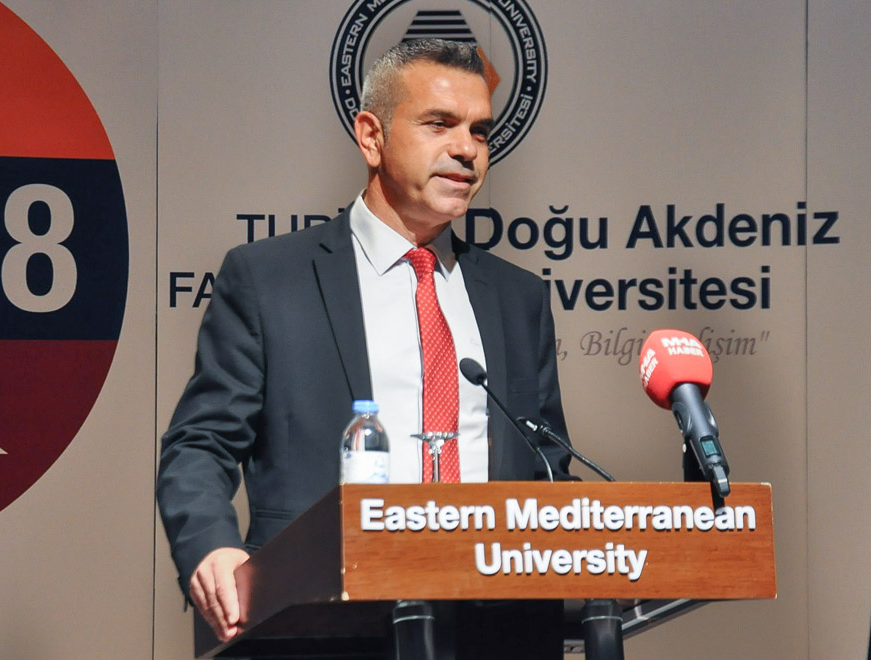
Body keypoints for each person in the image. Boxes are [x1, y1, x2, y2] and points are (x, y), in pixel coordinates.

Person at [156, 39, 572, 643]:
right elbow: (200, 443)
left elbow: (547, 470)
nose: (466, 149)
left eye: (480, 131)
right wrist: (210, 547)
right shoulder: (270, 279)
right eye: (439, 124)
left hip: (492, 629)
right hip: (317, 624)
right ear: (371, 137)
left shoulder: (518, 298)